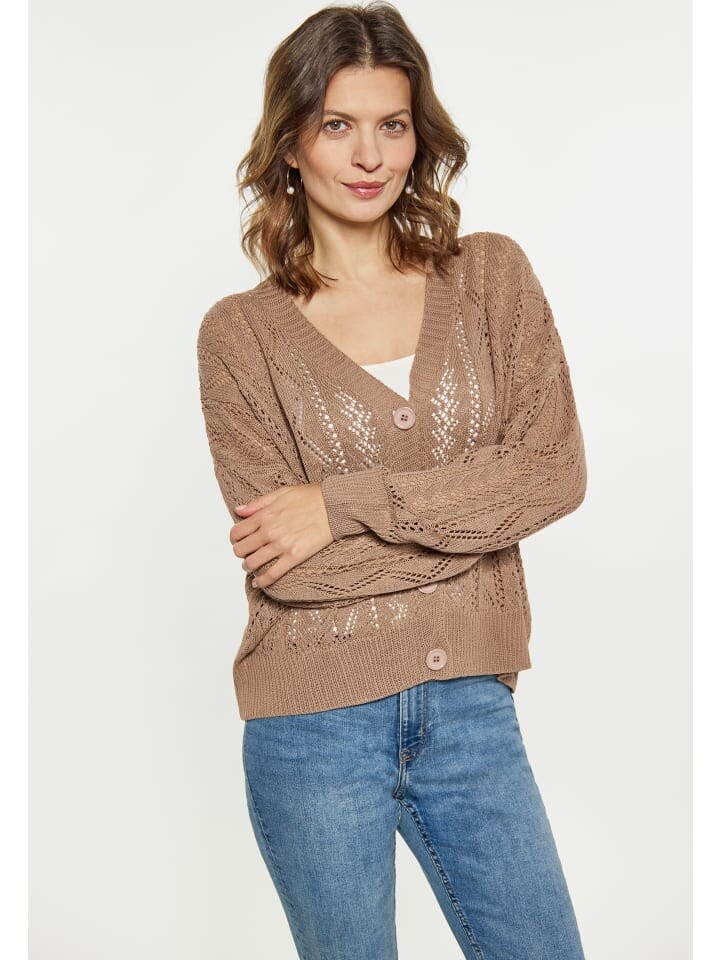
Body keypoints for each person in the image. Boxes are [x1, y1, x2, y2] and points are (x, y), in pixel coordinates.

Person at [196, 3, 588, 958]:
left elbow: (552, 474)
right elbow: (293, 568)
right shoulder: (239, 335)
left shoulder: (489, 278)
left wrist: (341, 505)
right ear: (291, 144)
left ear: (420, 136)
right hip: (311, 727)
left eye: (393, 124)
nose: (369, 155)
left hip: (474, 718)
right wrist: (473, 523)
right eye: (337, 125)